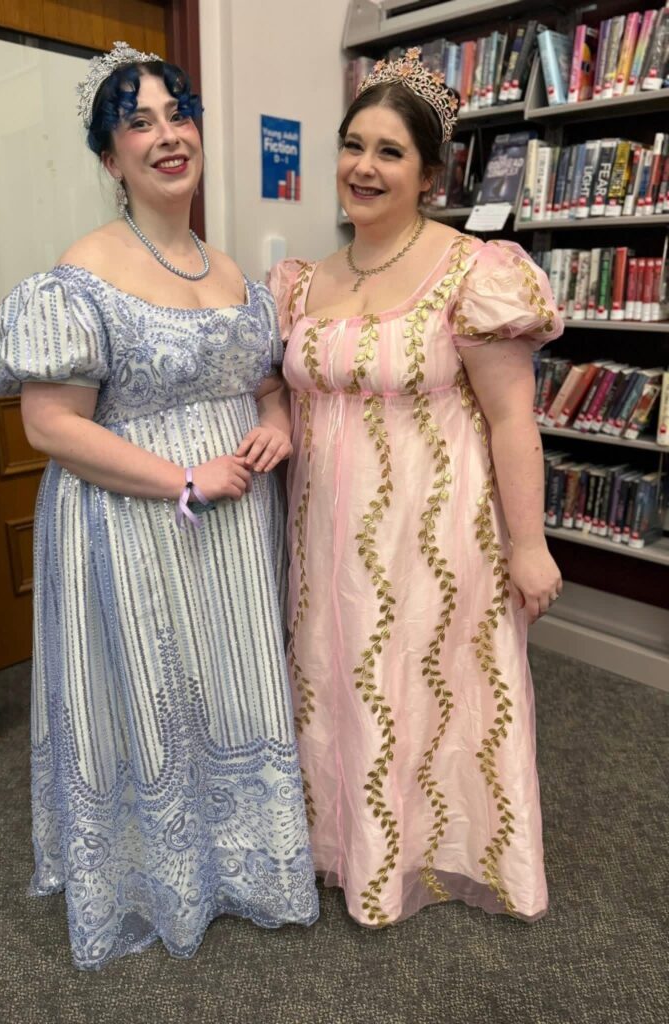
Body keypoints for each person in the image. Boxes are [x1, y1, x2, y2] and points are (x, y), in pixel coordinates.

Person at [0, 42, 318, 969]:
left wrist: (277, 420)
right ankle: (159, 876)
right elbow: (50, 427)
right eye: (139, 122)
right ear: (108, 157)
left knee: (228, 686)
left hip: (233, 525)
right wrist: (181, 479)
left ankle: (245, 867)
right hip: (136, 520)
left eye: (179, 114)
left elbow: (261, 382)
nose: (168, 136)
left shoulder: (234, 271)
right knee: (154, 696)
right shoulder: (79, 273)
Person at [269, 48, 564, 929]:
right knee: (341, 685)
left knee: (429, 693)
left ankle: (433, 853)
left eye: (390, 152)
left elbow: (513, 418)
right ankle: (347, 853)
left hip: (435, 538)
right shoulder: (303, 280)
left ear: (430, 173)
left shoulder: (474, 273)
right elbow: (285, 398)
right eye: (353, 145)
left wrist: (529, 543)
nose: (363, 167)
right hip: (324, 538)